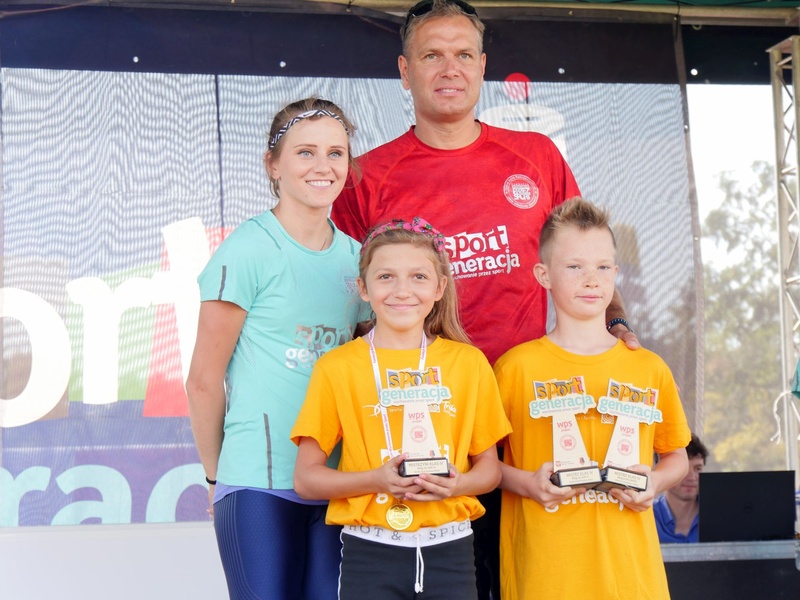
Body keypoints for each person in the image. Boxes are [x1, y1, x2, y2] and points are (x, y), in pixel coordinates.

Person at [331, 1, 639, 596]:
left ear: (482, 66)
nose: (450, 69)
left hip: (532, 408)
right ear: (404, 70)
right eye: (432, 55)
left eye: (464, 54)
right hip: (426, 420)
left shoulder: (537, 157)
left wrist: (617, 320)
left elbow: (582, 257)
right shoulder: (367, 176)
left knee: (532, 578)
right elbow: (346, 291)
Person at [185, 97, 366, 600]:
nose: (323, 166)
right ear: (273, 165)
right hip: (257, 484)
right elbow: (203, 382)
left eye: (335, 153)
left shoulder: (359, 260)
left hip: (335, 482)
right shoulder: (248, 249)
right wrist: (217, 479)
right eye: (305, 152)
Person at [291, 217, 512, 599]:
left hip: (452, 551)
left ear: (440, 287)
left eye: (418, 277)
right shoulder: (337, 367)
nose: (402, 291)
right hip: (369, 551)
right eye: (386, 277)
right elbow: (306, 479)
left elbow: (489, 471)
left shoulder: (469, 364)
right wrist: (376, 480)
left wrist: (457, 485)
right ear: (363, 288)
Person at [494, 198, 690, 600]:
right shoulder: (515, 368)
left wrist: (653, 482)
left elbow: (677, 456)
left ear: (616, 274)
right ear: (543, 275)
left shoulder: (648, 367)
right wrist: (529, 484)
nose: (590, 280)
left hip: (633, 578)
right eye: (574, 267)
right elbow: (481, 465)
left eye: (603, 267)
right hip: (545, 576)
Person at [654, 433, 709, 544]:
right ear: (662, 469)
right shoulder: (647, 515)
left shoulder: (718, 516)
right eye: (684, 469)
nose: (692, 477)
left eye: (698, 469)